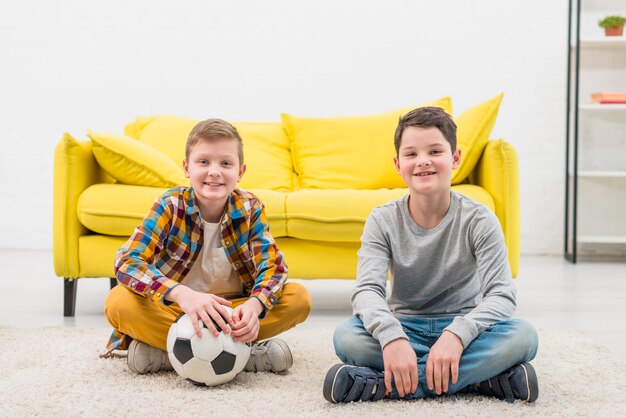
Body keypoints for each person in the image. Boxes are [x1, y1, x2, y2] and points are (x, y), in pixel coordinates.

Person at [323, 107, 538, 404]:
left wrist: (457, 335)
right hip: (405, 327)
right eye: (411, 154)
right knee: (346, 336)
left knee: (523, 336)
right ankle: (481, 380)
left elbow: (501, 294)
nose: (423, 161)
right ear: (398, 165)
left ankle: (386, 385)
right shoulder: (382, 220)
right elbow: (367, 290)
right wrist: (392, 338)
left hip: (466, 331)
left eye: (435, 151)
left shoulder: (480, 219)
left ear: (455, 158)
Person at [103, 118, 311, 375]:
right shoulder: (170, 205)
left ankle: (168, 354)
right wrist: (182, 294)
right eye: (203, 162)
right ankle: (244, 355)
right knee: (118, 301)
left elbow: (274, 267)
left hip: (234, 311)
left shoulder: (250, 208)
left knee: (298, 298)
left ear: (240, 171)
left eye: (225, 163)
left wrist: (255, 305)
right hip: (178, 310)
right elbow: (126, 261)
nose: (214, 171)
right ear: (187, 168)